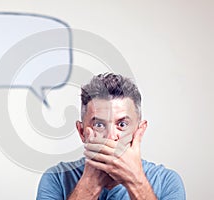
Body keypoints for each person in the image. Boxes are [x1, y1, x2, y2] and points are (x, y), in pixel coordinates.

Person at [36, 73, 186, 199]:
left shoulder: (167, 181)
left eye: (122, 125)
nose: (110, 137)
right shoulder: (57, 178)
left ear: (140, 130)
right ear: (82, 132)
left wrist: (136, 182)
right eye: (99, 125)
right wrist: (90, 183)